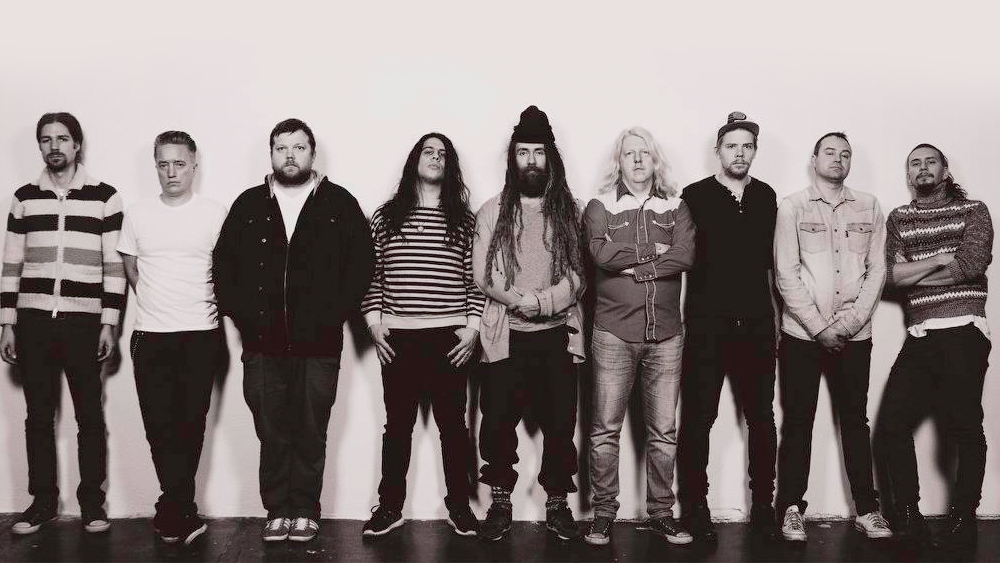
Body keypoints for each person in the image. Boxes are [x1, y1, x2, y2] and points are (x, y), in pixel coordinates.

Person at [212, 118, 374, 542]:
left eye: (298, 147)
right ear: (271, 154)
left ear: (312, 154)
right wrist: (244, 317)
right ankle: (277, 510)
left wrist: (333, 314)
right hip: (262, 343)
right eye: (281, 148)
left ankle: (305, 509)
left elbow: (362, 263)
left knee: (310, 427)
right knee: (271, 428)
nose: (290, 155)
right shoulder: (249, 204)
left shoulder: (339, 203)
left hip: (319, 344)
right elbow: (224, 264)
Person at [2, 112, 125, 535]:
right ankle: (42, 502)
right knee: (38, 417)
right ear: (40, 146)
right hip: (33, 322)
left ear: (77, 145)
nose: (54, 146)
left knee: (89, 416)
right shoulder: (24, 198)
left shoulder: (105, 197)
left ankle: (92, 504)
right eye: (46, 139)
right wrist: (7, 323)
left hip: (84, 322)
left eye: (62, 138)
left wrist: (109, 323)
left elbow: (114, 267)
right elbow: (11, 263)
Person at [360, 133, 484, 538]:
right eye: (428, 151)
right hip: (399, 337)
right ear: (415, 160)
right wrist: (374, 322)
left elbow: (475, 280)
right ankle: (390, 507)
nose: (435, 157)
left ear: (450, 166)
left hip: (450, 338)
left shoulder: (463, 219)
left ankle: (459, 507)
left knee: (453, 427)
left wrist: (472, 328)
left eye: (442, 154)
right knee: (397, 427)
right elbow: (372, 275)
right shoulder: (386, 216)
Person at [473, 105, 585, 542]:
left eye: (539, 152)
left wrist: (540, 303)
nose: (532, 161)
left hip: (558, 337)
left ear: (550, 157)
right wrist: (521, 302)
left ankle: (557, 503)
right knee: (497, 424)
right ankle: (501, 502)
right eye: (523, 152)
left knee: (560, 425)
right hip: (505, 337)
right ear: (513, 158)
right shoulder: (492, 211)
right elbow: (484, 274)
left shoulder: (569, 211)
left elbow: (578, 275)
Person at [772, 132, 891, 542]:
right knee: (798, 421)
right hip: (801, 336)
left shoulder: (870, 206)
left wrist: (849, 323)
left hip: (854, 336)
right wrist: (820, 328)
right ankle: (791, 509)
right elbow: (785, 273)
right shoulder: (792, 207)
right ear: (814, 159)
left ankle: (868, 510)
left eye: (845, 154)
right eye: (830, 152)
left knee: (855, 421)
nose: (838, 159)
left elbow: (878, 270)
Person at [582, 127, 695, 547]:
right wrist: (654, 253)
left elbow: (685, 255)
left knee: (663, 431)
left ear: (654, 159)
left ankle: (662, 514)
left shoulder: (677, 206)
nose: (637, 159)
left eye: (644, 152)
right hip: (613, 332)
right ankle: (602, 515)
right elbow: (600, 254)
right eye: (629, 153)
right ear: (619, 161)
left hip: (666, 334)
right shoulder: (600, 205)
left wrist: (632, 265)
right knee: (604, 430)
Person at [878, 144, 992, 549]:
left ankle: (964, 516)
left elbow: (970, 266)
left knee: (965, 426)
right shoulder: (899, 217)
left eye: (931, 162)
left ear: (945, 170)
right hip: (920, 334)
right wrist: (939, 260)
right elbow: (887, 277)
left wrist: (915, 274)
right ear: (908, 174)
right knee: (892, 425)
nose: (922, 168)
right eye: (915, 163)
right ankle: (910, 516)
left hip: (964, 330)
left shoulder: (974, 211)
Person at [117, 131, 227, 545]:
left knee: (190, 425)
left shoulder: (214, 213)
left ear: (194, 166)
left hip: (200, 334)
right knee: (158, 427)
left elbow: (226, 268)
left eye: (179, 163)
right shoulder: (138, 214)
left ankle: (174, 506)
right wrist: (154, 299)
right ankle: (180, 506)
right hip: (151, 335)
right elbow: (131, 267)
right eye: (163, 164)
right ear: (155, 167)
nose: (171, 172)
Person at [675, 112, 780, 541]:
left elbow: (772, 264)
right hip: (707, 324)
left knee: (762, 418)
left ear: (755, 151)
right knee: (699, 417)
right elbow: (683, 258)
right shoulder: (694, 195)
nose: (740, 153)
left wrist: (774, 321)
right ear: (717, 151)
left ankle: (763, 506)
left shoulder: (766, 195)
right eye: (732, 146)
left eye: (747, 146)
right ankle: (695, 507)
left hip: (757, 323)